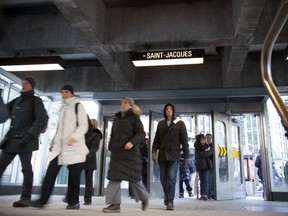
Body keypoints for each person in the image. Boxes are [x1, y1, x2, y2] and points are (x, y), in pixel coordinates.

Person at [26, 84, 89, 210]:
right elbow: (59, 128)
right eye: (62, 92)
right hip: (60, 147)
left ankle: (74, 202)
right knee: (50, 172)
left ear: (71, 93)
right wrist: (54, 142)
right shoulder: (63, 108)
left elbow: (84, 126)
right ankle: (42, 200)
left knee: (74, 176)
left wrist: (73, 138)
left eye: (66, 91)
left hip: (74, 147)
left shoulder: (78, 106)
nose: (63, 94)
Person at [0, 77, 47, 207]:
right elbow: (2, 116)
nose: (23, 85)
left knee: (26, 169)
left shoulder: (36, 101)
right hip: (11, 141)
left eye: (26, 83)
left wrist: (29, 135)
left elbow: (40, 120)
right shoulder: (16, 101)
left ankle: (25, 197)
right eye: (22, 83)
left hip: (26, 141)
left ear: (32, 85)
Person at [102, 97, 149, 213]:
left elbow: (141, 134)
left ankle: (145, 197)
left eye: (125, 102)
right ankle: (115, 205)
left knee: (134, 180)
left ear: (130, 106)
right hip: (117, 155)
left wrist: (132, 142)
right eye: (121, 102)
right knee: (114, 178)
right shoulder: (116, 119)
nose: (122, 104)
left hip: (130, 155)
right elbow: (113, 135)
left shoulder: (135, 118)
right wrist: (110, 146)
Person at [152, 103, 189, 210]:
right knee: (163, 179)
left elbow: (184, 141)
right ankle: (168, 197)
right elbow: (156, 140)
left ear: (173, 111)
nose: (168, 110)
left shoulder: (180, 124)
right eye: (167, 109)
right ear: (164, 111)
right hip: (162, 155)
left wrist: (186, 157)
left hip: (174, 155)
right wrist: (154, 152)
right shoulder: (160, 124)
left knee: (171, 178)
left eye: (170, 109)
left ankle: (170, 201)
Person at [81, 119, 102, 205]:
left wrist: (88, 155)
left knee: (88, 180)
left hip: (88, 158)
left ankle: (87, 200)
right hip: (85, 158)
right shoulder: (84, 133)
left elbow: (95, 147)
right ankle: (87, 200)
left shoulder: (95, 134)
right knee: (87, 180)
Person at [195, 134, 212, 201]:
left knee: (206, 180)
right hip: (200, 166)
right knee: (202, 181)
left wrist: (208, 152)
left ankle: (205, 194)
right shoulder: (197, 147)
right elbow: (201, 154)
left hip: (207, 165)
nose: (204, 140)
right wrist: (207, 152)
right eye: (203, 139)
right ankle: (202, 194)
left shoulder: (207, 146)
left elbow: (211, 152)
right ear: (199, 140)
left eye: (204, 139)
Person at [206, 133, 214, 199]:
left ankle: (212, 193)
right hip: (205, 165)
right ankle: (207, 194)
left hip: (212, 165)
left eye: (209, 138)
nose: (208, 139)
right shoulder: (204, 146)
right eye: (207, 138)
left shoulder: (213, 146)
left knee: (211, 179)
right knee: (206, 180)